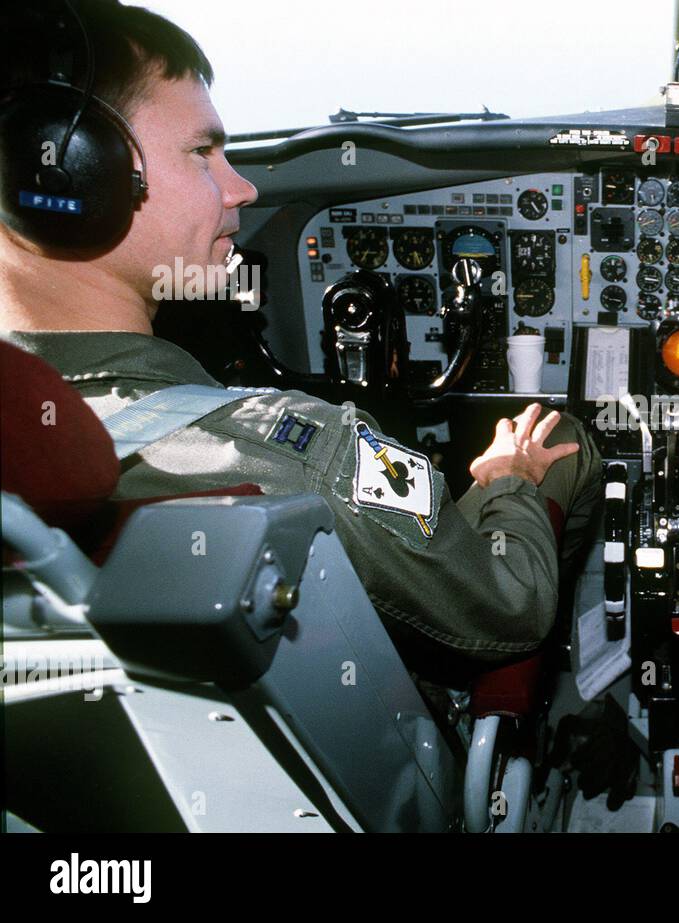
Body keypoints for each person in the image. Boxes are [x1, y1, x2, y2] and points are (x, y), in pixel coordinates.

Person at [0, 0, 602, 666]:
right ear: (73, 172)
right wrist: (510, 478)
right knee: (560, 438)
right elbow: (506, 606)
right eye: (203, 152)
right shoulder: (302, 454)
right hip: (404, 742)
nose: (244, 190)